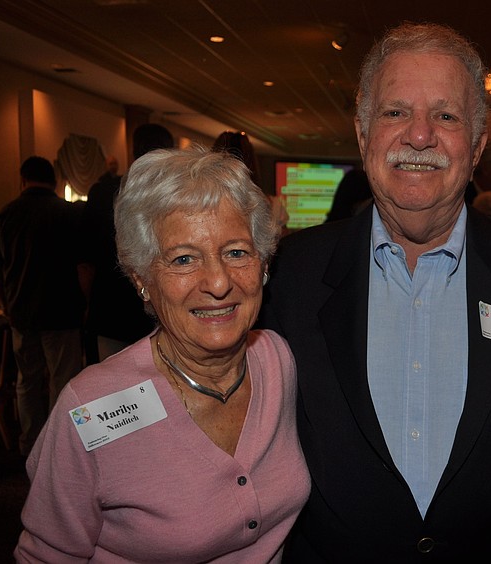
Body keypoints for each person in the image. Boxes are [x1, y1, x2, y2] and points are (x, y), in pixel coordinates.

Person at [259, 22, 491, 562]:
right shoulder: (290, 274)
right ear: (363, 135)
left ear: (476, 146)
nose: (419, 136)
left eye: (446, 116)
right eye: (395, 112)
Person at [15, 146, 309, 561]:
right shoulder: (91, 408)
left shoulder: (278, 361)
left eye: (236, 252)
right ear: (142, 280)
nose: (219, 282)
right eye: (184, 259)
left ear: (263, 265)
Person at [0, 156, 86, 457]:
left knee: (26, 381)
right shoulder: (67, 213)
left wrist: (6, 303)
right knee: (63, 381)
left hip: (21, 311)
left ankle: (29, 444)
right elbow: (82, 266)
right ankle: (58, 447)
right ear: (54, 181)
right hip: (62, 311)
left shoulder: (5, 214)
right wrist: (85, 304)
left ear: (23, 180)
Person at [81, 123, 174, 362]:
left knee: (112, 380)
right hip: (161, 310)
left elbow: (86, 260)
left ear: (133, 151)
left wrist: (88, 302)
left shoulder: (103, 192)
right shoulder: (176, 194)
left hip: (111, 308)